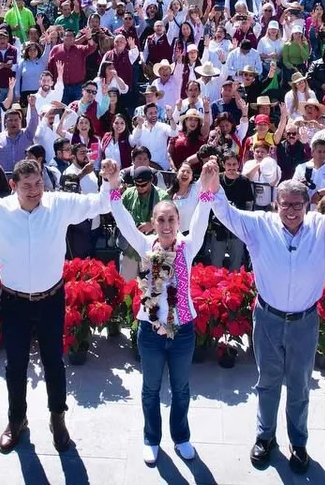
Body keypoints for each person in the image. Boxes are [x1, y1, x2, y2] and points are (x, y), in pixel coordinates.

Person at [0, 158, 110, 454]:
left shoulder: (58, 204)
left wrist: (111, 181)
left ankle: (58, 418)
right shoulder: (0, 210)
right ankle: (17, 420)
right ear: (13, 186)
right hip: (14, 301)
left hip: (51, 300)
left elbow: (100, 204)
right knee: (15, 365)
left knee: (54, 363)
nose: (34, 190)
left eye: (38, 183)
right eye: (27, 185)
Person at [209, 178, 325, 474]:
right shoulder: (260, 224)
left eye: (298, 204)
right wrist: (213, 184)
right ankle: (265, 437)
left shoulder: (321, 228)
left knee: (299, 386)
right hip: (268, 318)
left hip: (304, 321)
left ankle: (298, 443)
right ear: (276, 204)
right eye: (285, 204)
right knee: (267, 382)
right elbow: (226, 213)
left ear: (308, 206)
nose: (291, 210)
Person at [109, 159, 218, 465]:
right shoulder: (145, 246)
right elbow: (123, 221)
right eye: (161, 220)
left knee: (182, 389)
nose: (167, 225)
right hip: (150, 333)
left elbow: (203, 215)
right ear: (154, 222)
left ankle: (181, 437)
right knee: (151, 389)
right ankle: (151, 438)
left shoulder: (188, 244)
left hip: (183, 331)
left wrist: (208, 186)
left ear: (178, 220)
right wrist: (113, 184)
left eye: (172, 219)